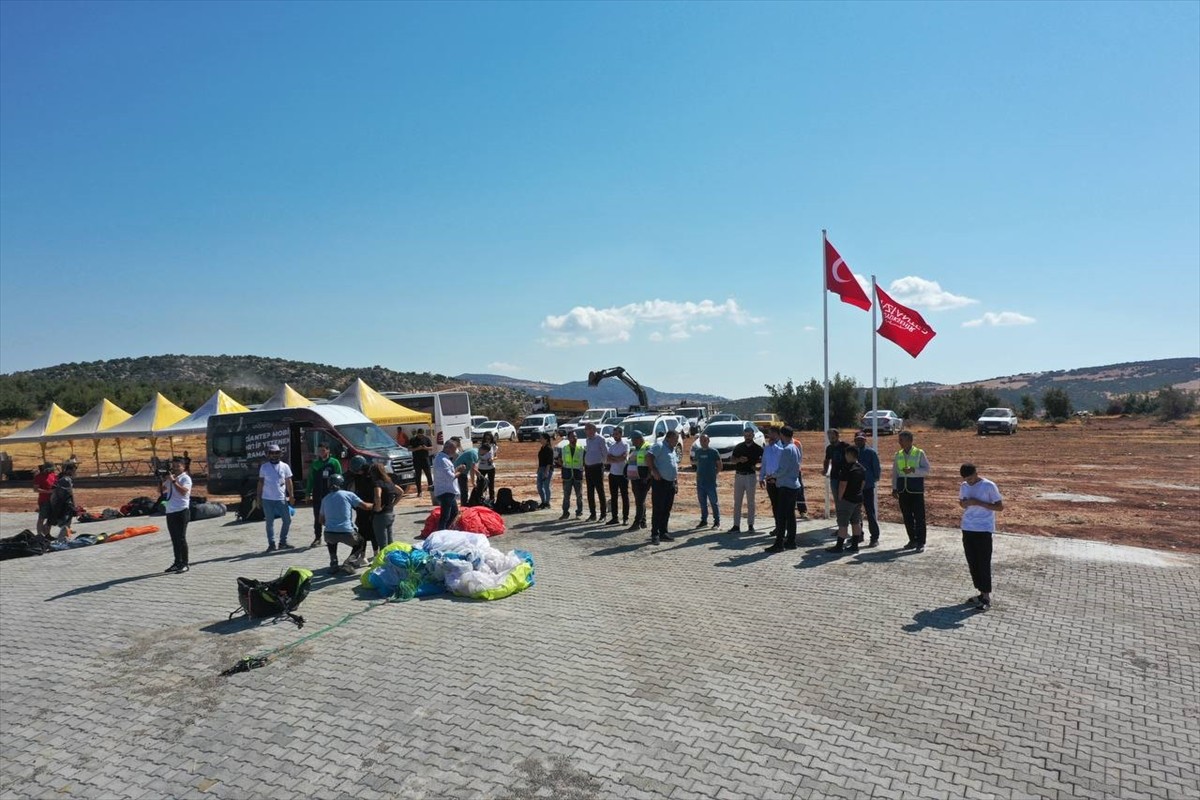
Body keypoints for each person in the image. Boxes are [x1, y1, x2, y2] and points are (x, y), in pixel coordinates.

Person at [959, 463, 1004, 610]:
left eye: (971, 478)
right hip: (967, 527)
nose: (969, 482)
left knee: (983, 562)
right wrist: (964, 504)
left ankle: (986, 597)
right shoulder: (964, 485)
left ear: (976, 473)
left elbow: (999, 507)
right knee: (972, 562)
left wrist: (978, 503)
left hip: (983, 529)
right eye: (967, 479)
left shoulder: (989, 486)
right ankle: (980, 592)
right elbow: (961, 503)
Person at [319, 473, 371, 574]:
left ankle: (333, 563)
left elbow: (321, 520)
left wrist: (332, 525)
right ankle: (348, 563)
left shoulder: (325, 499)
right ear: (342, 484)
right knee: (360, 543)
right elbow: (365, 506)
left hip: (329, 533)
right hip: (346, 531)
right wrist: (376, 504)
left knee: (331, 540)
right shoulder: (348, 494)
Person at [892, 431, 931, 551]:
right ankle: (912, 540)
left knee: (919, 517)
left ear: (910, 440)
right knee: (907, 517)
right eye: (899, 440)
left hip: (916, 490)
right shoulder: (898, 454)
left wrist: (913, 470)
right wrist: (894, 488)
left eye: (902, 440)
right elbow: (895, 473)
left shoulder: (919, 453)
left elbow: (927, 470)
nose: (900, 442)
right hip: (903, 490)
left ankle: (920, 542)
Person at [765, 426, 801, 553]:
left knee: (781, 516)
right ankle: (791, 541)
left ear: (782, 435)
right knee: (790, 515)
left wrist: (772, 476)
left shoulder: (787, 449)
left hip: (786, 486)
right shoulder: (795, 447)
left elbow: (783, 469)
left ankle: (779, 543)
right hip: (793, 485)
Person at [827, 446, 866, 553]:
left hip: (847, 500)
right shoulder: (861, 468)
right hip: (857, 499)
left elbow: (843, 484)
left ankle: (839, 546)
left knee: (843, 524)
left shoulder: (847, 468)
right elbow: (863, 483)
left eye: (846, 454)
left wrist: (840, 497)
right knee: (856, 522)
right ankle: (854, 546)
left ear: (849, 454)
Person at [257, 443, 295, 552]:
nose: (274, 455)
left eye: (277, 453)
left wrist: (291, 495)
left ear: (280, 454)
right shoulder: (264, 467)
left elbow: (289, 481)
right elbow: (260, 483)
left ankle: (283, 542)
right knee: (269, 522)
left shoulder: (285, 466)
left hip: (281, 498)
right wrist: (258, 497)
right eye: (272, 453)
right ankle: (271, 544)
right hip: (267, 499)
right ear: (268, 455)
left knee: (287, 520)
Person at [646, 429, 680, 545]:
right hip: (660, 482)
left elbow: (674, 466)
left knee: (667, 509)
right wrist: (654, 471)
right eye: (675, 439)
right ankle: (654, 534)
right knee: (658, 509)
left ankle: (663, 532)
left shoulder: (672, 449)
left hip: (670, 483)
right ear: (669, 438)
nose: (677, 441)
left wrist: (676, 482)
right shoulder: (659, 446)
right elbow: (648, 457)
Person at [306, 443, 343, 548]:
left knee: (331, 515)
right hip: (318, 493)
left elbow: (340, 477)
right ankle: (317, 538)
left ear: (328, 451)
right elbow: (310, 479)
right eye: (319, 450)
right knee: (318, 516)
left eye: (323, 450)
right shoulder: (315, 464)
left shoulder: (334, 462)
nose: (321, 452)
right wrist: (308, 493)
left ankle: (334, 536)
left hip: (331, 494)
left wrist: (339, 492)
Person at [162, 455, 193, 573]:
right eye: (173, 466)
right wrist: (163, 479)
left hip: (181, 511)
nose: (175, 468)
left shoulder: (186, 479)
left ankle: (185, 563)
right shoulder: (171, 478)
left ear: (183, 467)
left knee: (181, 538)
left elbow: (184, 492)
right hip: (170, 511)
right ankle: (177, 562)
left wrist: (173, 481)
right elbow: (162, 490)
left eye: (178, 466)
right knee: (174, 539)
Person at [727, 428, 762, 534]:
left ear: (753, 435)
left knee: (751, 502)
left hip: (751, 476)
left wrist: (758, 469)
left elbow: (766, 461)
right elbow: (732, 460)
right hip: (739, 476)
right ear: (744, 436)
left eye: (749, 435)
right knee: (737, 502)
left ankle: (751, 525)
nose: (747, 437)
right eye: (746, 435)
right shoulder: (739, 447)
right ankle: (736, 525)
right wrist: (739, 460)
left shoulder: (758, 448)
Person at [853, 432, 882, 546]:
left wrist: (871, 479)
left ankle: (874, 537)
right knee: (856, 513)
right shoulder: (852, 452)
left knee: (870, 512)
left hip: (867, 487)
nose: (859, 441)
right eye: (857, 439)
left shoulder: (871, 452)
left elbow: (876, 469)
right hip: (855, 487)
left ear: (865, 440)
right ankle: (858, 535)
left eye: (861, 439)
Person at [346, 455, 376, 564]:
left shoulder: (371, 477)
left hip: (371, 508)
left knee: (373, 533)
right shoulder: (356, 477)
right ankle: (362, 556)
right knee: (362, 533)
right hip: (361, 508)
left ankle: (376, 554)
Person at [433, 440, 464, 530]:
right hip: (445, 491)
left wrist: (457, 468)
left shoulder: (444, 458)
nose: (455, 452)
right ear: (448, 448)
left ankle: (445, 530)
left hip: (448, 490)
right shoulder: (442, 460)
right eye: (454, 449)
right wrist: (460, 472)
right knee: (445, 516)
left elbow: (448, 473)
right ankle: (441, 533)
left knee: (454, 512)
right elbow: (450, 476)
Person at [758, 427, 784, 538]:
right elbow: (764, 464)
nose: (770, 436)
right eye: (769, 434)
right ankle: (778, 527)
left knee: (782, 505)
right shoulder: (767, 448)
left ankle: (783, 528)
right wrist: (761, 477)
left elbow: (783, 462)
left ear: (778, 435)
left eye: (773, 434)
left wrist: (774, 446)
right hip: (769, 479)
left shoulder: (783, 447)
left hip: (780, 480)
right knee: (775, 505)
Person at [693, 433, 721, 529]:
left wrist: (714, 474)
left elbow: (719, 465)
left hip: (710, 482)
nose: (703, 442)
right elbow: (697, 464)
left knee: (714, 502)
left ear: (708, 441)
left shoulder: (714, 452)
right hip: (700, 482)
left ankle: (716, 521)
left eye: (705, 440)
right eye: (701, 440)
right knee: (702, 502)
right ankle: (704, 520)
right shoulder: (698, 452)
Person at [582, 423, 609, 521]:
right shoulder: (588, 440)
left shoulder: (600, 439)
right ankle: (592, 514)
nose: (585, 431)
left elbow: (605, 453)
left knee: (600, 491)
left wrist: (603, 465)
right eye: (585, 429)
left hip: (597, 468)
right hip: (588, 468)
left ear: (593, 429)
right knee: (590, 491)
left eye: (587, 429)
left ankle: (603, 515)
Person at [369, 462, 398, 552]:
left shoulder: (377, 483)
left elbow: (378, 496)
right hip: (390, 513)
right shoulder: (389, 482)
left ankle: (384, 563)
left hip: (381, 516)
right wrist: (393, 504)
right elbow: (401, 492)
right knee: (390, 541)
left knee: (382, 543)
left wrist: (377, 507)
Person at [626, 431, 651, 531]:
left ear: (638, 439)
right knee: (639, 500)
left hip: (644, 478)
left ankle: (637, 523)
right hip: (635, 478)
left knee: (640, 501)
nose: (632, 442)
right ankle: (643, 521)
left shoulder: (647, 447)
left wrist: (648, 476)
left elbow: (651, 462)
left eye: (633, 440)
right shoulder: (635, 448)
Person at [605, 426, 630, 525]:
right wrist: (616, 458)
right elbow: (608, 459)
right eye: (614, 434)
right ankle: (614, 517)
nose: (615, 436)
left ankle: (625, 518)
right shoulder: (612, 446)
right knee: (614, 497)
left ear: (621, 434)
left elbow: (623, 458)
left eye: (616, 434)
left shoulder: (625, 444)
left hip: (622, 474)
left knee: (624, 496)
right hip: (613, 474)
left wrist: (614, 458)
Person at [557, 429, 584, 520]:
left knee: (579, 495)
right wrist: (564, 466)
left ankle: (579, 512)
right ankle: (565, 513)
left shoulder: (581, 448)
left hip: (577, 475)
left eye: (576, 436)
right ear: (568, 438)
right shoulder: (564, 448)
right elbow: (559, 460)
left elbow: (585, 461)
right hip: (567, 475)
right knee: (566, 496)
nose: (574, 438)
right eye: (572, 436)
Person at [48, 461, 77, 542]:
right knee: (65, 521)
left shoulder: (64, 478)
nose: (74, 472)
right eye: (73, 470)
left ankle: (65, 536)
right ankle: (62, 539)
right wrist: (73, 504)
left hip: (63, 503)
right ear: (69, 470)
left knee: (66, 521)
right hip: (64, 503)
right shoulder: (65, 479)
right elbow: (68, 493)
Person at [824, 429, 849, 519]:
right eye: (829, 437)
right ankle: (840, 521)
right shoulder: (829, 448)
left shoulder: (846, 446)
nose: (831, 439)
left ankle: (848, 518)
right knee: (837, 500)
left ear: (838, 436)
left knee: (846, 499)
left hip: (846, 477)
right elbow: (827, 460)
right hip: (834, 477)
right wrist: (825, 470)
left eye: (833, 437)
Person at [408, 428, 435, 500]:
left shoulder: (426, 439)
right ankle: (419, 491)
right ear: (417, 434)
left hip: (425, 459)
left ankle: (431, 489)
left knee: (428, 474)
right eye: (419, 435)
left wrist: (425, 448)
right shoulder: (413, 439)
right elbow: (409, 449)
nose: (421, 436)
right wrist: (417, 448)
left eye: (422, 435)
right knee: (418, 476)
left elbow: (431, 448)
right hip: (417, 460)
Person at [33, 462, 57, 537]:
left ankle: (47, 534)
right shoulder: (39, 477)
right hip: (44, 500)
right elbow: (36, 489)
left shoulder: (53, 475)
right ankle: (39, 535)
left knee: (50, 519)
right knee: (42, 518)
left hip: (53, 500)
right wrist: (48, 492)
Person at [536, 433, 555, 509]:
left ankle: (547, 503)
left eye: (541, 438)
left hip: (547, 469)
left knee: (546, 486)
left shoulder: (549, 449)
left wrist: (546, 472)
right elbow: (540, 460)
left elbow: (549, 462)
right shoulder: (542, 448)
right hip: (541, 468)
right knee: (539, 486)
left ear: (546, 440)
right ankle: (543, 501)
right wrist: (538, 469)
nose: (540, 439)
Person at [477, 439, 497, 504]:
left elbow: (495, 456)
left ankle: (492, 498)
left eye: (489, 438)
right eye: (486, 438)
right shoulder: (477, 451)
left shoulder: (492, 447)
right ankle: (479, 498)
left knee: (491, 483)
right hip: (481, 468)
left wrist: (492, 459)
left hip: (491, 468)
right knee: (480, 483)